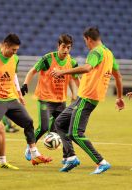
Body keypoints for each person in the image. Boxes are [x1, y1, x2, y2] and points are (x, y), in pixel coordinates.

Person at [50, 27, 125, 174]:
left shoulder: (96, 52)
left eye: (85, 41)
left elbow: (87, 68)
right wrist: (120, 97)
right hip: (83, 97)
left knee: (76, 133)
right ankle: (71, 158)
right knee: (59, 123)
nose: (86, 44)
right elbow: (118, 77)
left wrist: (62, 72)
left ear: (89, 39)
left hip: (88, 97)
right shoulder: (109, 54)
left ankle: (101, 162)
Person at [0, 33, 52, 166]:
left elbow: (13, 75)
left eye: (16, 50)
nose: (15, 53)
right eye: (13, 50)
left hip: (11, 98)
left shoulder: (15, 59)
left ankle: (34, 154)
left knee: (28, 121)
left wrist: (19, 94)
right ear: (5, 45)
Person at [21, 34, 79, 161]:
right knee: (44, 127)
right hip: (45, 99)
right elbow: (32, 71)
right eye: (63, 47)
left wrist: (76, 93)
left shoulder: (72, 61)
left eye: (68, 47)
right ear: (58, 46)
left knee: (62, 128)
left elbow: (72, 78)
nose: (66, 50)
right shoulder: (47, 59)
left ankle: (67, 157)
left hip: (60, 100)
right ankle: (30, 147)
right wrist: (25, 84)